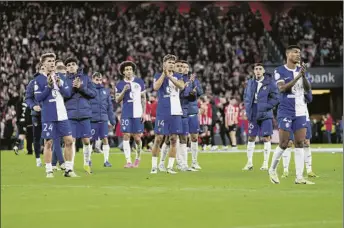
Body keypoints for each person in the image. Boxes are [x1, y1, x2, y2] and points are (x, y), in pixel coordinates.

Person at [269, 45, 314, 184]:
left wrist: (304, 76)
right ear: (288, 54)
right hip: (286, 109)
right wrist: (298, 76)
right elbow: (282, 88)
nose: (298, 54)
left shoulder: (301, 71)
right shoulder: (280, 70)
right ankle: (272, 169)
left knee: (300, 142)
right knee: (284, 143)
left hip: (300, 110)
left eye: (299, 53)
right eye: (295, 52)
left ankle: (299, 177)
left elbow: (308, 90)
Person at [34, 53, 75, 178]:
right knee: (48, 143)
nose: (52, 63)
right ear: (43, 64)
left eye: (53, 61)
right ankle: (49, 170)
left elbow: (68, 93)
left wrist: (60, 84)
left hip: (62, 114)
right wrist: (49, 86)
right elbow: (38, 97)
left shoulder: (60, 77)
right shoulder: (38, 80)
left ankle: (68, 169)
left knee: (69, 141)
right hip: (49, 115)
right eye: (49, 61)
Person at [151, 54, 185, 174]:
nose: (171, 64)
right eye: (169, 62)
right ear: (164, 64)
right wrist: (164, 75)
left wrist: (170, 77)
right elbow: (155, 87)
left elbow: (181, 86)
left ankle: (170, 167)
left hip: (175, 111)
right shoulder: (157, 75)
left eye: (172, 62)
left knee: (173, 139)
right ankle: (154, 166)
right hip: (162, 111)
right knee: (158, 138)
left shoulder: (178, 76)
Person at [242, 63, 279, 171]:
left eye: (260, 69)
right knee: (251, 137)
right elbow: (246, 96)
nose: (258, 71)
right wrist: (247, 108)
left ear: (263, 71)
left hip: (265, 113)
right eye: (256, 69)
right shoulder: (250, 83)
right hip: (253, 112)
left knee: (266, 137)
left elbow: (276, 97)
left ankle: (265, 163)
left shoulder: (270, 82)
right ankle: (249, 163)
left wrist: (267, 106)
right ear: (254, 71)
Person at [64, 57, 96, 174]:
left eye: (73, 64)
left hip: (84, 114)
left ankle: (87, 163)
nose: (71, 66)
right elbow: (64, 96)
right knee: (70, 141)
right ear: (66, 68)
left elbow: (93, 94)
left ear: (77, 67)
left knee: (86, 141)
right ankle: (70, 167)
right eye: (68, 65)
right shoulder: (64, 80)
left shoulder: (86, 79)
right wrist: (73, 88)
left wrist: (81, 87)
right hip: (70, 114)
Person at [281, 90, 318, 178]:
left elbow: (309, 99)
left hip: (304, 116)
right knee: (288, 143)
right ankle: (285, 170)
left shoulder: (304, 84)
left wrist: (305, 90)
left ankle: (309, 170)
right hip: (290, 116)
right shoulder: (288, 83)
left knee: (306, 142)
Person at [115, 61, 146, 168]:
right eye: (127, 69)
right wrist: (124, 91)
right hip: (126, 112)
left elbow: (143, 98)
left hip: (138, 112)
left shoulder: (139, 82)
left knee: (137, 138)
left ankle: (138, 158)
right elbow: (117, 100)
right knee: (126, 135)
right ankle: (128, 161)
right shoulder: (119, 84)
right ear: (123, 72)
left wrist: (144, 112)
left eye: (130, 69)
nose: (129, 71)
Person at [90, 72, 116, 167]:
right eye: (96, 79)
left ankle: (106, 161)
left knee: (105, 139)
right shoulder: (89, 91)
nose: (98, 81)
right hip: (92, 119)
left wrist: (112, 120)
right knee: (90, 140)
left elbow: (110, 107)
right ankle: (88, 160)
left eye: (100, 79)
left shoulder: (106, 91)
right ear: (92, 80)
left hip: (103, 119)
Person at [25, 63, 45, 166]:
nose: (43, 70)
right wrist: (33, 106)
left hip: (49, 114)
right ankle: (38, 159)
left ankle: (51, 160)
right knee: (37, 137)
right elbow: (27, 98)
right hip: (37, 114)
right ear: (39, 70)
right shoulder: (33, 83)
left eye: (44, 68)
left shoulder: (52, 81)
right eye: (42, 69)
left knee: (51, 137)